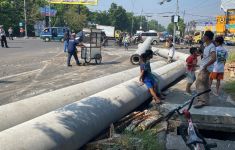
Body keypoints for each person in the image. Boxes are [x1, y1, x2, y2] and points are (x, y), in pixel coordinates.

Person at [194, 31, 216, 109]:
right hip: (204, 67)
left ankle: (201, 101)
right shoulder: (206, 46)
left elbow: (214, 58)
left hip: (205, 69)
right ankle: (205, 101)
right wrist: (201, 55)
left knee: (199, 84)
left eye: (204, 36)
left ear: (207, 37)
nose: (203, 37)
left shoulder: (212, 47)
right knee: (205, 85)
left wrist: (206, 65)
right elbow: (207, 56)